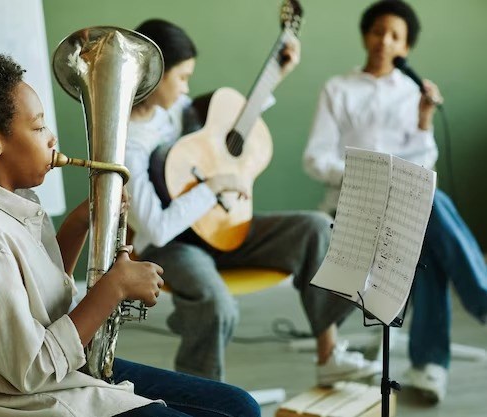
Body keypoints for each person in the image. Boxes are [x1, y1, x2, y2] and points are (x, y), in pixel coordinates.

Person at [0, 53, 263, 417]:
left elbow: (42, 293)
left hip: (69, 376)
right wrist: (113, 287)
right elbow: (33, 369)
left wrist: (81, 221)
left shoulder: (8, 201)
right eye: (38, 128)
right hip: (41, 402)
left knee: (240, 406)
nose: (52, 138)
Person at [125, 18, 381, 387]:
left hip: (220, 226)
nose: (187, 87)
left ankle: (329, 354)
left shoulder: (176, 108)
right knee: (218, 305)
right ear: (154, 73)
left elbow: (222, 132)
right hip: (174, 246)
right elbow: (158, 228)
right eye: (182, 77)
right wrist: (212, 187)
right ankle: (202, 398)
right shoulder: (130, 142)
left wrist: (275, 76)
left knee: (315, 227)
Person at [303, 0, 487, 403]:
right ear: (365, 34)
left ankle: (430, 366)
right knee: (429, 214)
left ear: (406, 47)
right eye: (378, 31)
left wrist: (424, 121)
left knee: (428, 221)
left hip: (405, 206)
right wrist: (371, 177)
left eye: (395, 36)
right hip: (350, 204)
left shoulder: (411, 92)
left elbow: (426, 166)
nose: (384, 41)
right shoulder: (339, 88)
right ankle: (439, 353)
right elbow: (315, 159)